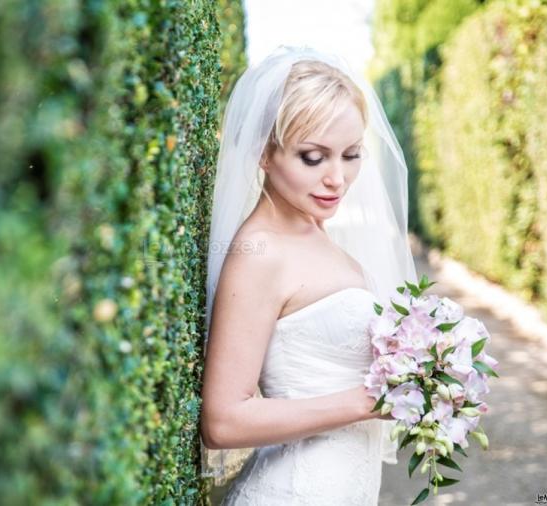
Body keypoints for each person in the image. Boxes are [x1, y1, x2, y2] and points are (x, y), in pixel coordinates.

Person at [199, 45, 418, 505]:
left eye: (352, 154)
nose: (337, 178)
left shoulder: (317, 232)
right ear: (264, 152)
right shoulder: (258, 252)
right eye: (314, 158)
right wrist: (369, 401)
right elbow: (223, 421)